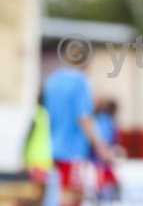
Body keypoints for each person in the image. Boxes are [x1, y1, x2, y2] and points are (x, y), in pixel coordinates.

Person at [44, 43, 113, 206]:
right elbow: (84, 118)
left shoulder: (53, 80)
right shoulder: (80, 82)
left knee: (60, 193)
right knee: (70, 196)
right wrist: (102, 148)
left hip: (53, 147)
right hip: (72, 150)